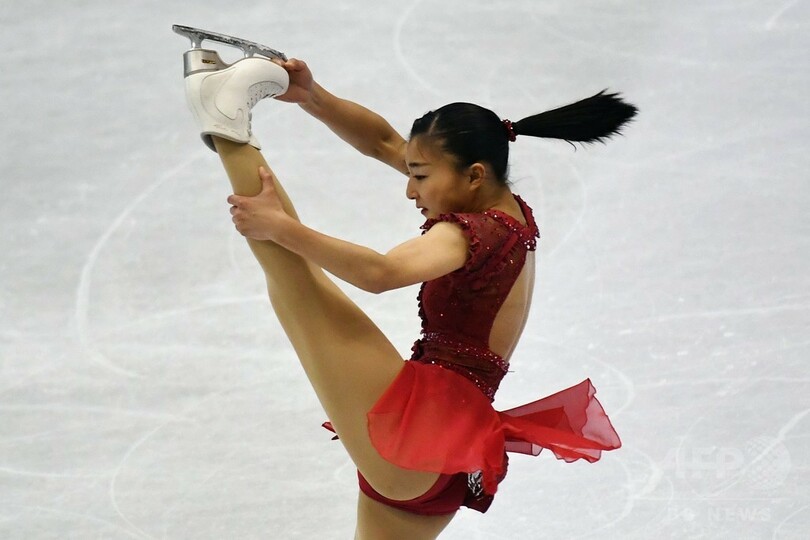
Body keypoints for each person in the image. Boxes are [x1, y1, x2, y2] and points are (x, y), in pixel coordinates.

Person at [180, 51, 635, 539]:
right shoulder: (507, 212)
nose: (410, 189)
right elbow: (383, 142)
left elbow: (381, 273)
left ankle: (225, 118)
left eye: (419, 176)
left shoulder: (471, 234)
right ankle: (225, 110)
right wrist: (312, 96)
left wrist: (282, 227)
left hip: (418, 433)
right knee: (291, 274)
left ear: (474, 175)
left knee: (294, 274)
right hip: (446, 460)